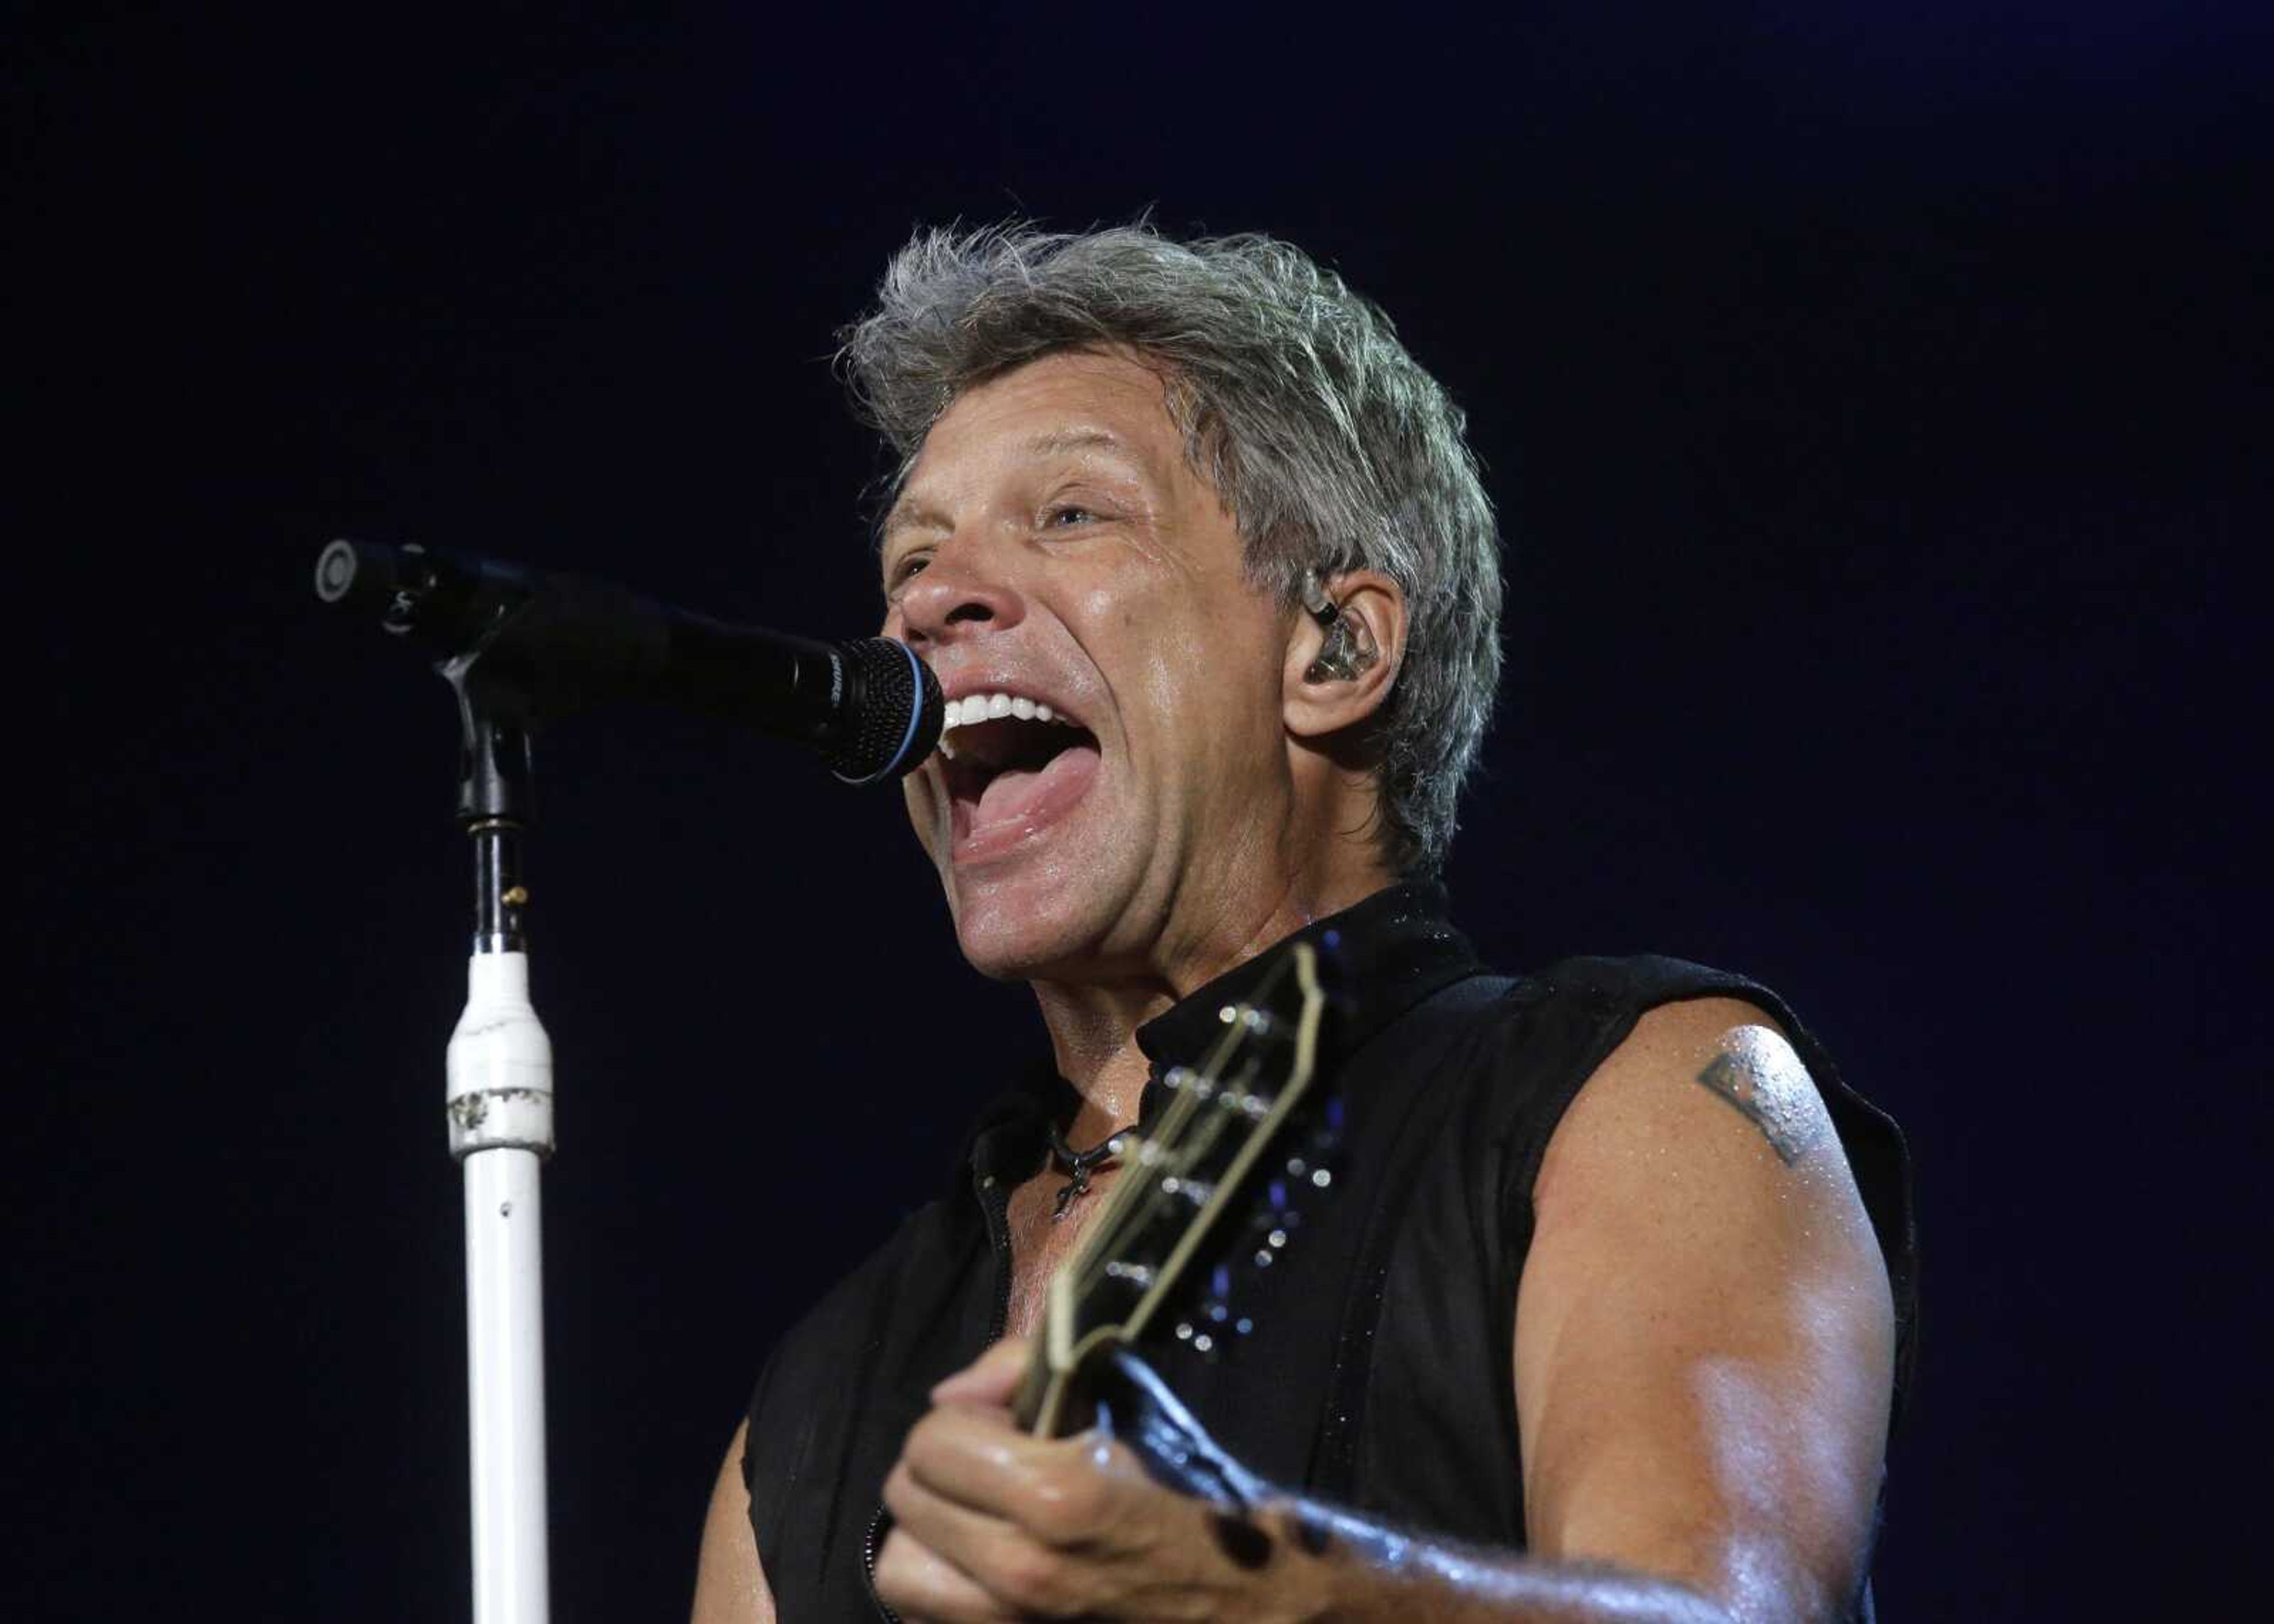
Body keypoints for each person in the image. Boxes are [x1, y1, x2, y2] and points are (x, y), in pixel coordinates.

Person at [692, 223, 1915, 1623]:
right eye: (914, 555)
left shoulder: (1641, 1099)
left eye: (1072, 514)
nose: (927, 600)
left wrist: (1245, 1589)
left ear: (1336, 648)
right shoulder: (815, 1405)